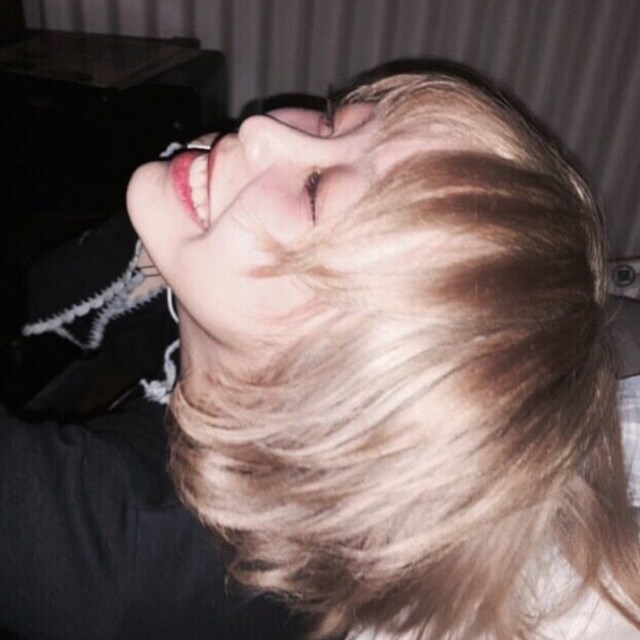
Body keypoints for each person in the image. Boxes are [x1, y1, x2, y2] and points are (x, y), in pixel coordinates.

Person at [125, 71, 640, 640]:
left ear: (325, 404)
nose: (261, 128)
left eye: (315, 193)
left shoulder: (109, 549)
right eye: (331, 121)